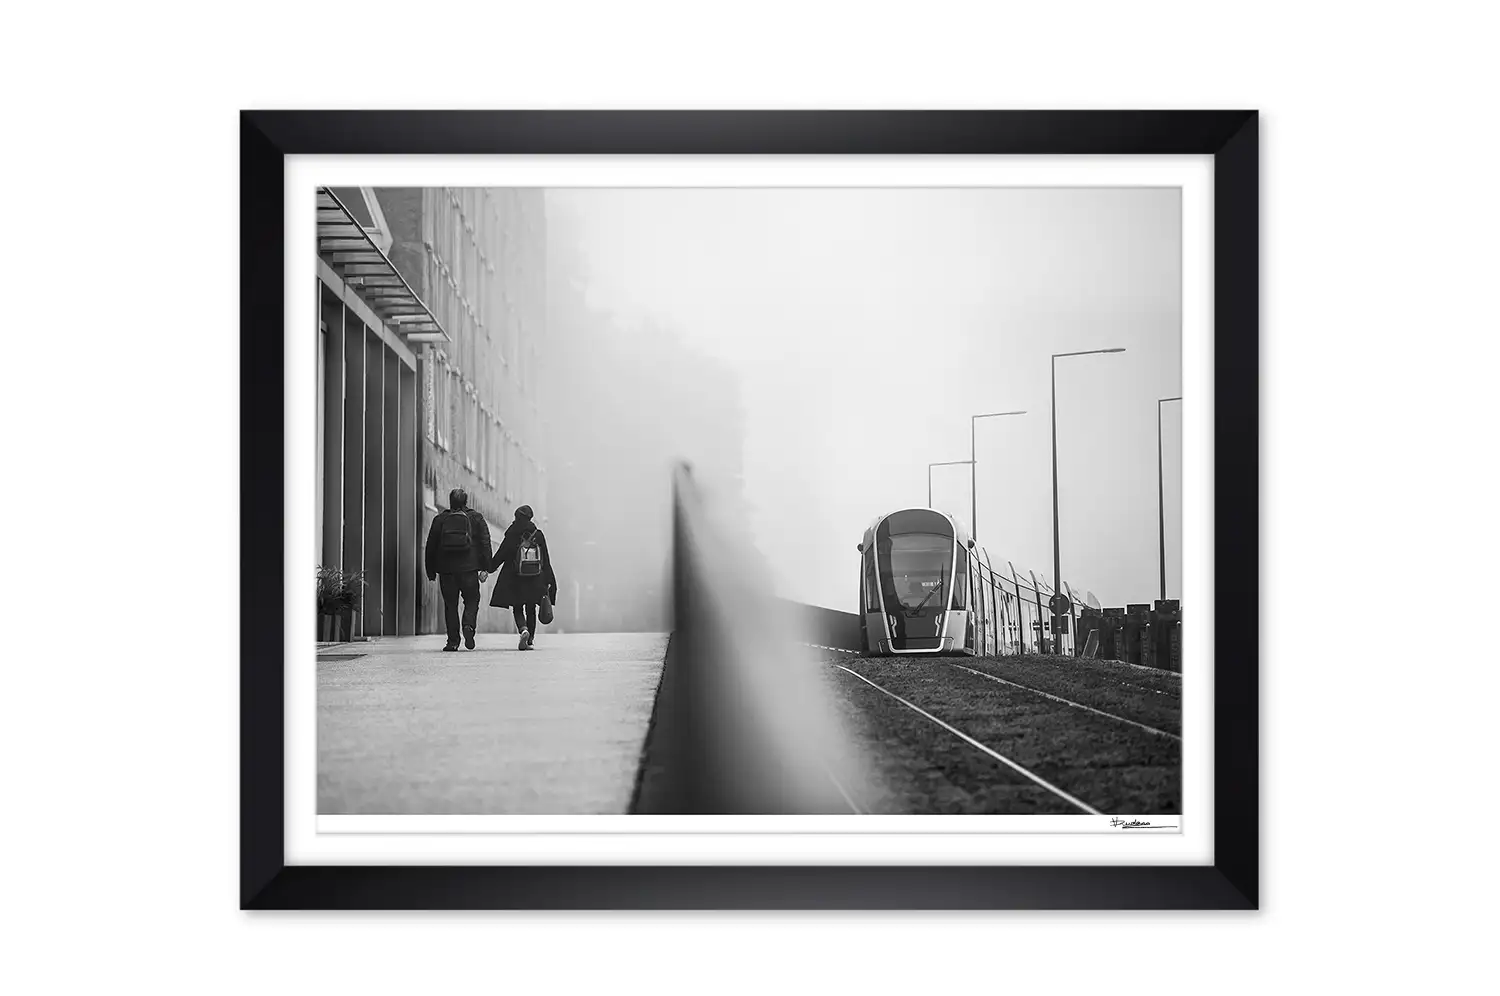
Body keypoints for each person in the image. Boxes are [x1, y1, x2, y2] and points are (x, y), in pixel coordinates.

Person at [424, 488, 492, 651]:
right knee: (472, 600)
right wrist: (486, 567)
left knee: (450, 605)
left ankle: (453, 641)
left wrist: (430, 570)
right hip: (469, 570)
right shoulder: (476, 518)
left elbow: (431, 546)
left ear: (450, 501)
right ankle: (468, 626)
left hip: (447, 571)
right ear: (465, 501)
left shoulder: (440, 520)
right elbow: (485, 543)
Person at [488, 504, 558, 650]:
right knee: (531, 607)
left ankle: (523, 629)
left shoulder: (512, 533)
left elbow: (502, 553)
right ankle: (530, 639)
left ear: (516, 517)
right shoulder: (537, 534)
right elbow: (545, 559)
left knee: (518, 607)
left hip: (515, 577)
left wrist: (489, 568)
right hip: (535, 577)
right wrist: (550, 580)